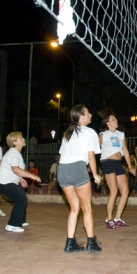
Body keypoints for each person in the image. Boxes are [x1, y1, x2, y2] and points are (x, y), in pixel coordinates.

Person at [58, 105, 102, 252]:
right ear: (82, 117)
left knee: (74, 208)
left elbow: (62, 156)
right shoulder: (90, 132)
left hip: (62, 170)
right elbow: (91, 156)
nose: (91, 115)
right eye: (88, 113)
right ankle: (91, 243)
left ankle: (70, 244)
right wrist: (95, 175)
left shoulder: (67, 133)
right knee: (87, 208)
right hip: (77, 168)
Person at [0, 132, 39, 233]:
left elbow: (14, 171)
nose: (23, 139)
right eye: (20, 138)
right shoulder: (13, 153)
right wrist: (32, 176)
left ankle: (21, 220)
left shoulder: (16, 154)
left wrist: (21, 179)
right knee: (21, 198)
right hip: (3, 183)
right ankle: (12, 225)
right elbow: (16, 169)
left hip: (9, 182)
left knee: (22, 197)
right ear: (14, 142)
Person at [98, 107, 135, 230]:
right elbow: (92, 148)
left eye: (115, 118)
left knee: (125, 191)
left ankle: (117, 218)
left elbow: (125, 150)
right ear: (107, 123)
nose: (116, 120)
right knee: (114, 191)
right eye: (113, 119)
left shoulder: (120, 134)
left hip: (118, 163)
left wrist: (130, 167)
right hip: (107, 162)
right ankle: (109, 219)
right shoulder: (103, 135)